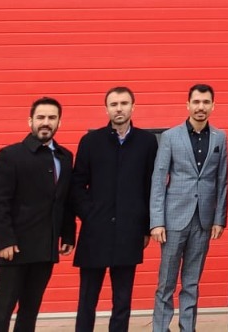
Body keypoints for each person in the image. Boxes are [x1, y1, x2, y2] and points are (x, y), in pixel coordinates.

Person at [71, 87, 158, 332]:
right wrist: (89, 215)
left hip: (129, 231)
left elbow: (150, 185)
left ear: (133, 106)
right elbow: (77, 184)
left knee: (122, 300)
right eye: (113, 104)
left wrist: (146, 227)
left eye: (124, 103)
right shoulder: (91, 141)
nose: (119, 108)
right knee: (87, 299)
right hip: (95, 232)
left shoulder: (147, 142)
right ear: (106, 109)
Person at [0, 97, 74, 332]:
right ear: (30, 121)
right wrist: (4, 241)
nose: (46, 122)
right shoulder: (10, 155)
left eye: (52, 118)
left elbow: (65, 200)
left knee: (30, 310)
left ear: (59, 123)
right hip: (14, 249)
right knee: (2, 310)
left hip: (45, 249)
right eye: (40, 117)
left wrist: (67, 235)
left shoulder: (65, 157)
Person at [150, 84, 228, 332]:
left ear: (213, 106)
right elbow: (159, 179)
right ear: (188, 105)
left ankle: (187, 328)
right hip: (173, 219)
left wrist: (219, 218)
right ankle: (160, 328)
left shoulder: (220, 138)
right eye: (196, 102)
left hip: (203, 221)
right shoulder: (170, 137)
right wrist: (157, 221)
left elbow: (222, 180)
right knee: (166, 282)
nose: (200, 107)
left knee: (191, 283)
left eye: (206, 102)